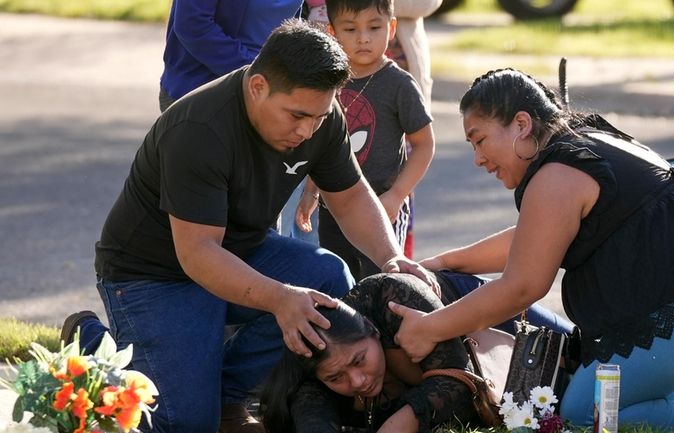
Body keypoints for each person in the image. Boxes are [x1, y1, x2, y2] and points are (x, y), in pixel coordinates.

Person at [63, 20, 438, 433]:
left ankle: (224, 394)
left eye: (317, 117)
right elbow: (197, 253)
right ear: (258, 86)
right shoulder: (198, 130)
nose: (306, 130)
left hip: (239, 250)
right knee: (183, 424)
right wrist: (279, 299)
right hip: (154, 274)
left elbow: (349, 197)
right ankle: (93, 343)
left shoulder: (319, 115)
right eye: (296, 115)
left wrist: (391, 258)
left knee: (329, 280)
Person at [388, 68, 674, 433]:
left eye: (480, 139)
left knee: (588, 411)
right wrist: (444, 262)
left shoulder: (557, 174)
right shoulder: (580, 146)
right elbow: (532, 240)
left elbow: (522, 287)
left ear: (521, 124)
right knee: (606, 400)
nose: (478, 158)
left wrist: (430, 328)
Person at [259, 271, 575, 433]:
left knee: (580, 347)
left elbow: (458, 385)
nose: (357, 381)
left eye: (359, 360)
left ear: (373, 330)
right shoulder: (308, 380)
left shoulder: (394, 297)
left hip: (469, 302)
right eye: (336, 377)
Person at [295, 0, 435, 281]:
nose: (363, 38)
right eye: (350, 29)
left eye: (374, 27)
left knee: (384, 280)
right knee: (339, 281)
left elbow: (424, 144)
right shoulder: (329, 82)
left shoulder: (400, 85)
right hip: (334, 205)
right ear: (332, 31)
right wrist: (312, 192)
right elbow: (323, 144)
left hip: (382, 207)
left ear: (391, 27)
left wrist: (397, 195)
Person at [158, 0, 303, 112]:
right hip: (202, 93)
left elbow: (291, 22)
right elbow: (192, 25)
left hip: (269, 91)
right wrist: (253, 71)